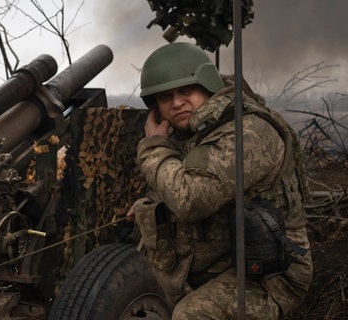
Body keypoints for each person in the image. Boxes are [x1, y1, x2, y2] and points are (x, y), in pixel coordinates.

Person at [127, 42, 313, 319]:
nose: (177, 102)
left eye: (186, 90)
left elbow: (190, 200)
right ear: (155, 108)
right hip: (224, 260)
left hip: (272, 273)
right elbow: (185, 178)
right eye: (165, 97)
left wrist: (154, 147)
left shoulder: (247, 132)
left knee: (190, 315)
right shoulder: (192, 131)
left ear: (207, 87)